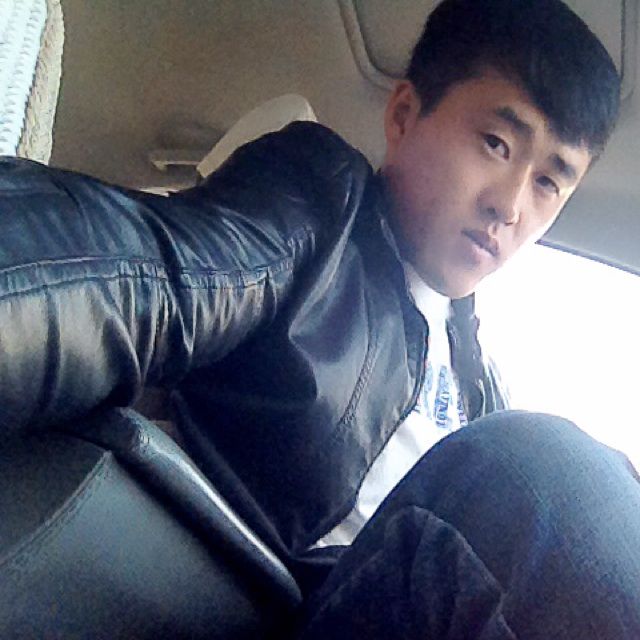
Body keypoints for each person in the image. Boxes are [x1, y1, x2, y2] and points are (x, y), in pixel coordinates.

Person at [0, 0, 638, 637]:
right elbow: (149, 277)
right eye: (496, 144)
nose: (511, 206)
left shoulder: (480, 384)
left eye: (549, 183)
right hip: (263, 607)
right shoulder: (323, 210)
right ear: (404, 115)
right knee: (558, 477)